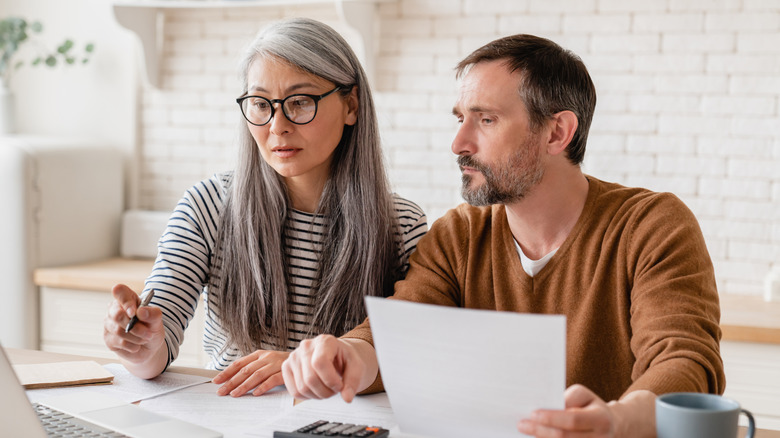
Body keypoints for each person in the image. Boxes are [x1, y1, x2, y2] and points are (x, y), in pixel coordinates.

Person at [280, 34, 724, 437]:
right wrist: (347, 355)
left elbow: (685, 363)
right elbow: (400, 332)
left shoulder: (651, 226)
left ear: (557, 132)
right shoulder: (458, 235)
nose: (459, 143)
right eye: (460, 119)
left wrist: (617, 420)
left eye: (486, 120)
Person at [102, 17, 427, 398]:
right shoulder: (209, 204)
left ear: (351, 105)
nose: (277, 126)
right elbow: (157, 346)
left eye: (301, 102)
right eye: (260, 104)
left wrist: (298, 368)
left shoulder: (401, 225)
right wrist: (139, 342)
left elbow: (411, 355)